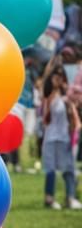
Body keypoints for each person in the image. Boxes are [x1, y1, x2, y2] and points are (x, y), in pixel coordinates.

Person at [41, 66, 81, 210]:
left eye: (60, 76)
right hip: (51, 138)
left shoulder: (67, 97)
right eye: (55, 76)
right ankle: (49, 199)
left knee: (69, 168)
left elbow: (75, 119)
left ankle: (70, 198)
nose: (58, 79)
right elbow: (45, 118)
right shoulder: (49, 96)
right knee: (50, 169)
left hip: (64, 137)